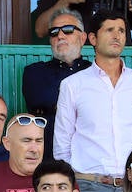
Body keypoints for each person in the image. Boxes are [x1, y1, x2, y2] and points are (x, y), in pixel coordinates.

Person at [53, 11, 132, 192]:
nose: (117, 35)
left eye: (121, 31)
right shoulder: (73, 85)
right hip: (90, 188)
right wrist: (72, 185)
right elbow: (62, 144)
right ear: (93, 39)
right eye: (109, 30)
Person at [22, 8, 91, 154]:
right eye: (54, 32)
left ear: (83, 38)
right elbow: (39, 100)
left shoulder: (95, 72)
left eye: (67, 29)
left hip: (89, 155)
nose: (60, 35)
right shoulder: (35, 72)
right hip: (49, 156)